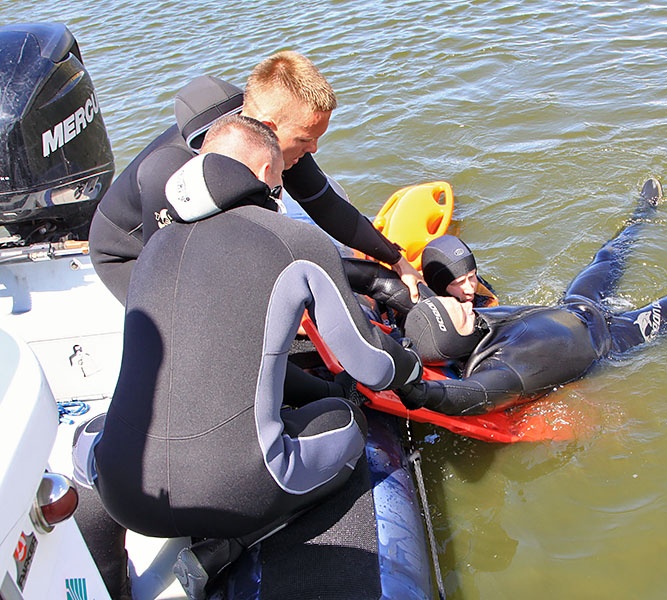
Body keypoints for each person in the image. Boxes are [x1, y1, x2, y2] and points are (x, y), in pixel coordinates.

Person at [84, 115, 422, 599]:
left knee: (93, 434)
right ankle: (230, 545)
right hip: (236, 496)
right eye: (282, 179)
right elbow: (370, 365)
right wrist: (411, 369)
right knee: (346, 423)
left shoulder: (153, 248)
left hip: (126, 495)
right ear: (266, 173)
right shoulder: (294, 240)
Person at [398, 179, 667, 416]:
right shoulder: (502, 372)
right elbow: (462, 398)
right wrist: (414, 392)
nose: (461, 301)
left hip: (573, 304)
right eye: (453, 310)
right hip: (614, 338)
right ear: (455, 338)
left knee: (609, 253)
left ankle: (643, 213)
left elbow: (402, 300)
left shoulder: (476, 322)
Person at [89, 51, 422, 306]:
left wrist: (396, 260)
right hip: (130, 252)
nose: (314, 149)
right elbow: (174, 279)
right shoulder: (181, 170)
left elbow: (327, 206)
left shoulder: (275, 136)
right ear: (268, 125)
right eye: (306, 139)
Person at [421, 234, 498, 307]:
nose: (470, 290)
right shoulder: (423, 310)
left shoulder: (483, 294)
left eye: (471, 277)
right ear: (439, 288)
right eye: (459, 283)